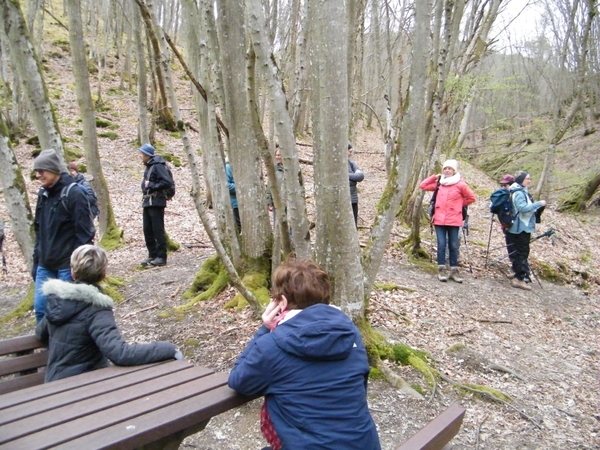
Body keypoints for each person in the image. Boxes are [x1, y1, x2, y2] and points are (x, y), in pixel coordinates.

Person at [228, 258, 381, 450]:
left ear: (281, 302)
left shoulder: (273, 345)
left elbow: (239, 381)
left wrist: (266, 328)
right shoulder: (350, 334)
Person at [35, 245, 182, 382]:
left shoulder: (56, 301)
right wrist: (167, 348)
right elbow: (120, 353)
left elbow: (40, 333)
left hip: (53, 384)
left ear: (73, 273)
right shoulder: (96, 309)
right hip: (84, 388)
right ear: (103, 275)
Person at [32, 149, 95, 322]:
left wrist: (80, 267)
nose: (38, 175)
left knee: (67, 315)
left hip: (68, 267)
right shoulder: (43, 194)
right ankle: (49, 348)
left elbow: (85, 234)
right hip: (45, 264)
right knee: (40, 310)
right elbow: (39, 230)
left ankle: (65, 349)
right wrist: (36, 262)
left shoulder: (75, 193)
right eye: (36, 172)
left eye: (41, 171)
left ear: (53, 170)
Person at [420, 159, 476, 283]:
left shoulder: (461, 184)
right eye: (445, 168)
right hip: (439, 219)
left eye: (449, 169)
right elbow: (423, 185)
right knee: (441, 244)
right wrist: (435, 176)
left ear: (454, 170)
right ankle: (441, 269)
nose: (447, 171)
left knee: (454, 246)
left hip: (454, 219)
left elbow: (471, 198)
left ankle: (454, 271)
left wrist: (459, 205)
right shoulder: (440, 184)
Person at [506, 171, 547, 290]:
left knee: (516, 252)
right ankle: (519, 279)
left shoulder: (517, 190)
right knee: (521, 253)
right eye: (527, 179)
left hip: (517, 227)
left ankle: (517, 273)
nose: (529, 180)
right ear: (521, 180)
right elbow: (523, 209)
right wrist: (539, 204)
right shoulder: (519, 192)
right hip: (520, 228)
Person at [139, 143, 170, 267]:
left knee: (157, 229)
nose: (140, 156)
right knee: (147, 229)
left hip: (156, 201)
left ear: (147, 155)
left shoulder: (158, 166)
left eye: (142, 154)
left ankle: (161, 257)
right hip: (147, 202)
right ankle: (152, 255)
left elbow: (167, 182)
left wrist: (152, 186)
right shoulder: (149, 166)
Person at [498, 174, 517, 272]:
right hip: (506, 225)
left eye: (506, 185)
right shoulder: (504, 196)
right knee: (510, 248)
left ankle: (522, 274)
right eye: (502, 185)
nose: (504, 188)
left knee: (516, 249)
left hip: (515, 226)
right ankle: (515, 270)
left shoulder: (515, 195)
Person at [348, 143, 364, 227]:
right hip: (343, 200)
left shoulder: (352, 164)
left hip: (353, 199)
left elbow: (360, 176)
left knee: (353, 224)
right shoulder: (336, 165)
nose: (351, 153)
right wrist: (352, 177)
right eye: (349, 151)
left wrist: (346, 175)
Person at [225, 162, 241, 231]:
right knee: (238, 227)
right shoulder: (228, 167)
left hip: (248, 204)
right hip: (235, 203)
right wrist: (241, 187)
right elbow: (227, 185)